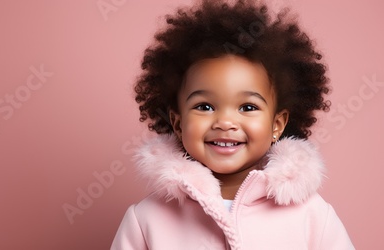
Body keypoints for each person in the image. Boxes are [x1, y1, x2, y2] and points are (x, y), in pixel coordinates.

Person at [111, 0, 354, 249]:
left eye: (248, 107)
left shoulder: (312, 217)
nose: (225, 122)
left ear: (277, 125)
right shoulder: (146, 220)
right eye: (204, 106)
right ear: (178, 122)